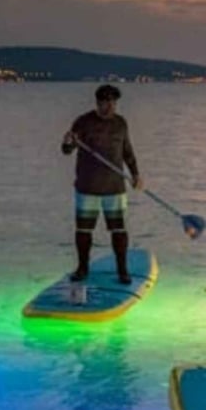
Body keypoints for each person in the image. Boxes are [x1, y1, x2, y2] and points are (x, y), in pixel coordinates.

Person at [61, 84, 142, 284]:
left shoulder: (121, 123)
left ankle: (122, 270)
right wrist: (67, 142)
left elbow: (127, 152)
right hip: (87, 186)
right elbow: (66, 150)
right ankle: (82, 269)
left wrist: (136, 175)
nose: (111, 106)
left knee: (119, 230)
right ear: (98, 102)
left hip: (115, 187)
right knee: (83, 230)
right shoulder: (83, 122)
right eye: (107, 102)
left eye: (114, 102)